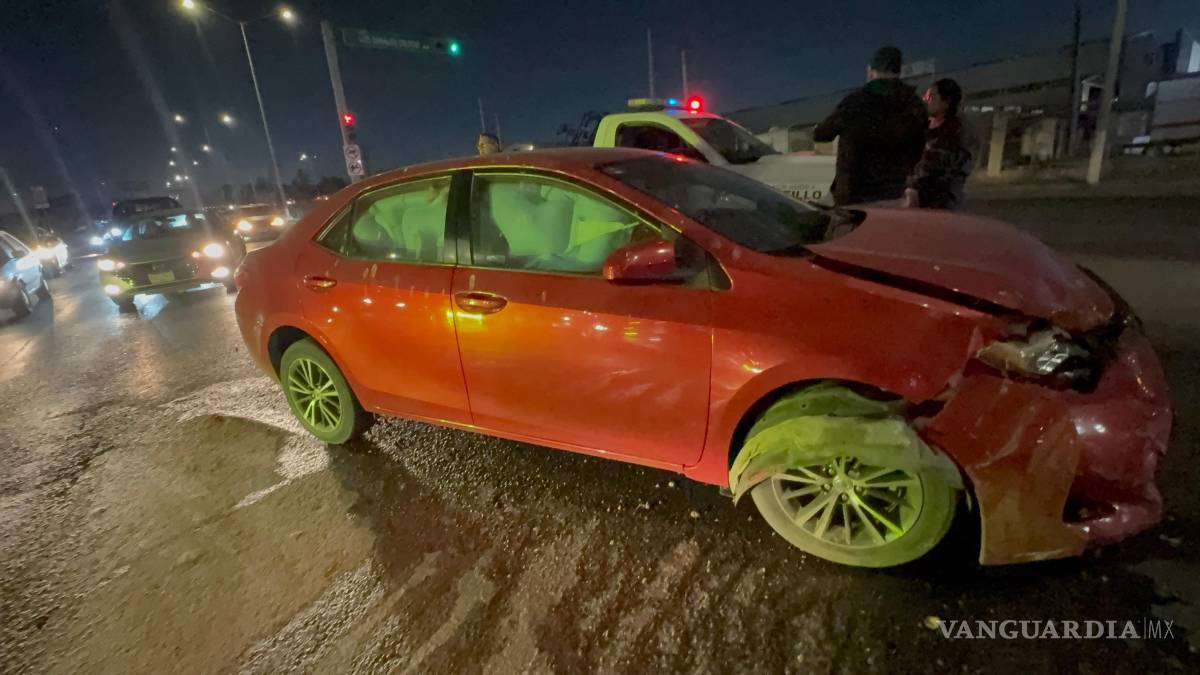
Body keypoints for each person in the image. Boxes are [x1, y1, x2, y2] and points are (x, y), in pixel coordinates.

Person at [813, 46, 928, 206]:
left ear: (870, 71)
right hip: (894, 194)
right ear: (899, 71)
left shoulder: (855, 102)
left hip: (853, 195)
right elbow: (918, 148)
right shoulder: (914, 105)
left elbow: (821, 135)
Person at [904, 79, 978, 210]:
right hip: (918, 199)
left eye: (931, 96)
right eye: (925, 96)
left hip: (941, 203)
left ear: (946, 102)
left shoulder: (957, 133)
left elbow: (943, 171)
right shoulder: (924, 126)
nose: (926, 100)